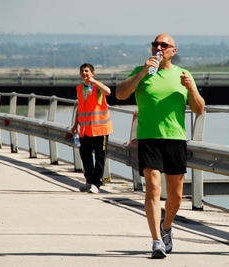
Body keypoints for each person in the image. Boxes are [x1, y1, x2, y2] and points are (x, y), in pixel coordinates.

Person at [115, 33, 205, 259]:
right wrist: (143, 72)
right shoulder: (141, 71)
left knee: (175, 195)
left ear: (173, 51)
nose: (158, 47)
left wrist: (191, 89)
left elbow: (199, 109)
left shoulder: (184, 75)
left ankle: (166, 228)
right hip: (149, 138)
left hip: (175, 138)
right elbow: (120, 94)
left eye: (164, 45)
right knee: (153, 188)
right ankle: (156, 241)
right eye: (155, 44)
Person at [71, 63, 113, 194]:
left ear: (92, 73)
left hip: (101, 128)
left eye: (87, 71)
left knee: (100, 157)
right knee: (85, 155)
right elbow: (80, 107)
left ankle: (97, 183)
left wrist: (94, 82)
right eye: (82, 71)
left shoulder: (97, 86)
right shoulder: (79, 88)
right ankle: (89, 181)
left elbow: (108, 91)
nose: (84, 73)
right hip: (85, 129)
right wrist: (75, 124)